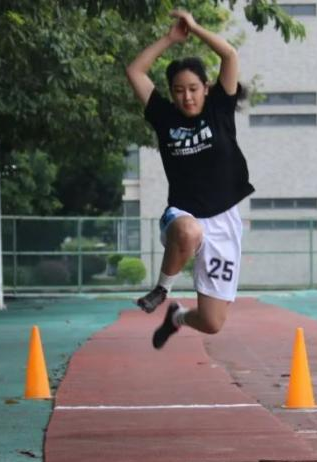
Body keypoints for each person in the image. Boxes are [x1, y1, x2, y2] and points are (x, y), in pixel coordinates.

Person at [126, 9, 254, 349]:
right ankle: (161, 289)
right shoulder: (164, 117)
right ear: (171, 93)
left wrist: (195, 28)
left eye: (194, 89)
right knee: (189, 230)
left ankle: (177, 317)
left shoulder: (219, 109)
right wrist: (170, 39)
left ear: (206, 88)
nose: (187, 97)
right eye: (179, 90)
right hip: (182, 214)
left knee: (212, 323)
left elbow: (229, 55)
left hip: (224, 221)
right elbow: (135, 71)